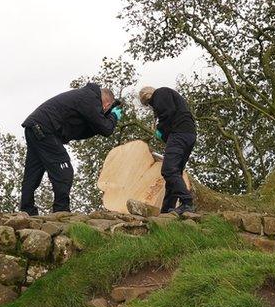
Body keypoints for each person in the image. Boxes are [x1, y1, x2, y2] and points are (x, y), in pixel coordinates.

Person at [20, 83, 121, 215]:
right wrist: (113, 117)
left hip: (35, 128)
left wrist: (107, 120)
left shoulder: (84, 97)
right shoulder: (90, 98)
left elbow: (90, 129)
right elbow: (106, 128)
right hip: (45, 129)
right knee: (64, 171)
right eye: (106, 110)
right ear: (106, 105)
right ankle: (61, 212)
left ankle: (26, 211)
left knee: (33, 173)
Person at [139, 86, 197, 214]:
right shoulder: (167, 96)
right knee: (175, 171)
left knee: (168, 170)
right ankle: (167, 209)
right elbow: (170, 118)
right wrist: (164, 134)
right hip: (188, 134)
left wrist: (159, 128)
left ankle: (187, 202)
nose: (151, 106)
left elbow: (167, 113)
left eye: (148, 103)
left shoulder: (160, 93)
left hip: (179, 133)